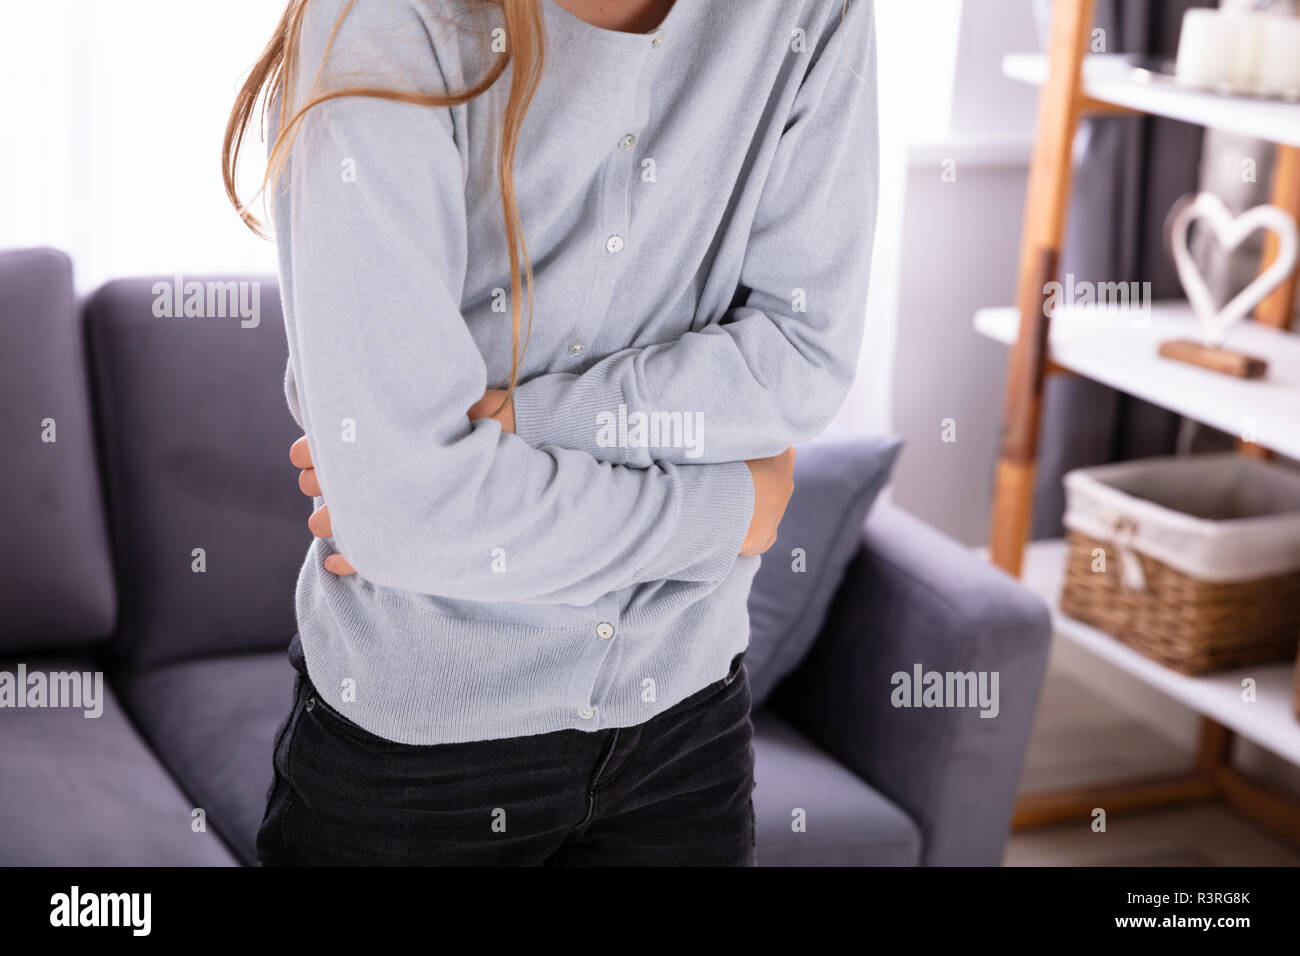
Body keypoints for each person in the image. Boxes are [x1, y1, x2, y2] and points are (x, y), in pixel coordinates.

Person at [222, 0, 878, 866]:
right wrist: (724, 513)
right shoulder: (384, 21)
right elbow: (411, 516)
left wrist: (534, 420)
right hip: (417, 769)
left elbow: (804, 354)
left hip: (690, 726)